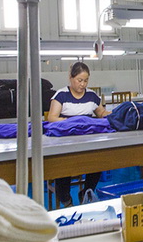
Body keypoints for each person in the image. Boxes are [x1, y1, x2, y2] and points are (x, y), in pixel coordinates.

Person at [48, 62, 112, 207]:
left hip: (87, 141)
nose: (83, 84)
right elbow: (52, 117)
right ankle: (66, 200)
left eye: (86, 80)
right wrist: (74, 122)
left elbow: (101, 113)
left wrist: (114, 114)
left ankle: (86, 192)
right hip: (65, 142)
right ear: (71, 78)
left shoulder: (91, 96)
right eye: (79, 80)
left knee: (96, 162)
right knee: (63, 166)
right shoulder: (61, 95)